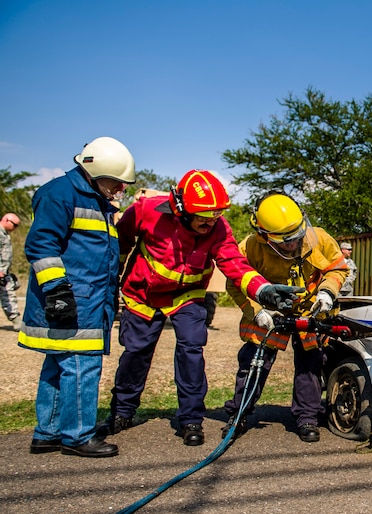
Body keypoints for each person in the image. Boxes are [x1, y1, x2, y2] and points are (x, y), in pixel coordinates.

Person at [109, 170, 300, 446]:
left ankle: (190, 420)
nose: (211, 222)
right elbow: (121, 243)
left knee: (191, 353)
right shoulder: (146, 211)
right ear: (181, 210)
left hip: (187, 295)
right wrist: (113, 274)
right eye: (204, 216)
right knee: (136, 353)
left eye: (216, 214)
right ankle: (122, 412)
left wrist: (264, 290)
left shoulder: (219, 228)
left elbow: (235, 264)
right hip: (143, 294)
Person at [19, 137, 135, 458]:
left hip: (82, 299)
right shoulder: (60, 194)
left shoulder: (94, 199)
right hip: (75, 300)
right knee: (82, 368)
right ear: (96, 172)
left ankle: (48, 433)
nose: (120, 190)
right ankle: (78, 436)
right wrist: (57, 290)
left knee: (58, 367)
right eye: (117, 183)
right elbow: (41, 246)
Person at [222, 194, 348, 443]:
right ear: (265, 236)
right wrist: (257, 312)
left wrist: (327, 292)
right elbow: (236, 283)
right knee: (254, 363)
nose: (294, 244)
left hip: (310, 310)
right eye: (286, 241)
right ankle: (239, 415)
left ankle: (308, 417)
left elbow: (337, 268)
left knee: (311, 365)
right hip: (269, 313)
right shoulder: (250, 247)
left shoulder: (319, 237)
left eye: (297, 237)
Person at [0, 213, 22, 330]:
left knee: (8, 294)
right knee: (7, 294)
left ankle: (16, 320)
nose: (15, 228)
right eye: (15, 225)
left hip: (4, 273)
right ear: (6, 220)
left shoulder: (5, 234)